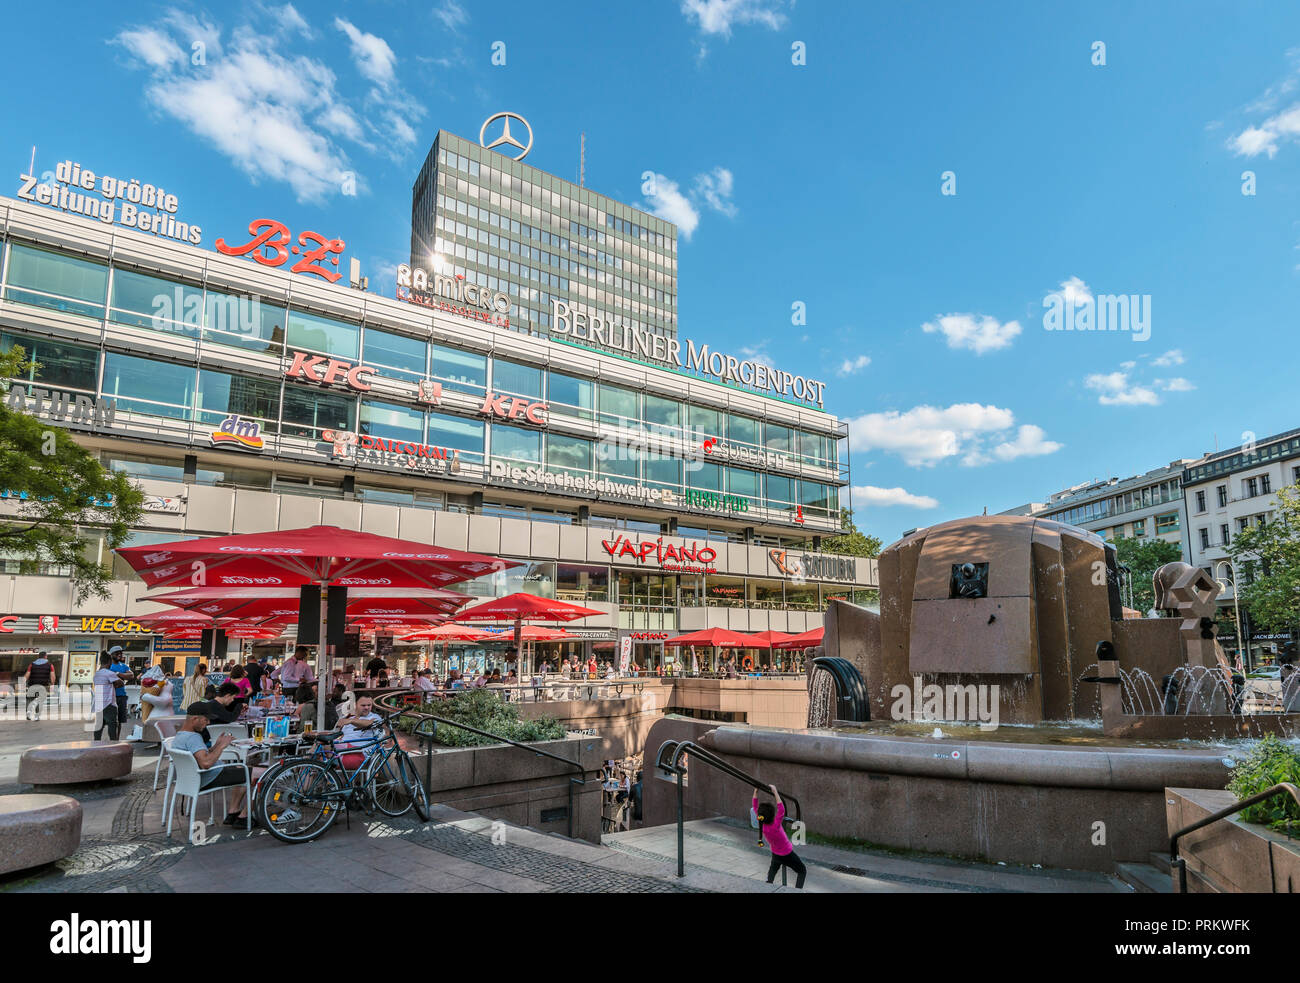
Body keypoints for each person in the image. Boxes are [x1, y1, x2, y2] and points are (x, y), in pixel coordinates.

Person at [170, 711, 266, 828]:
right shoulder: (194, 737)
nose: (208, 723)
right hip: (211, 776)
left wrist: (216, 745)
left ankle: (233, 812)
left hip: (192, 779)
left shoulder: (180, 735)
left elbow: (200, 756)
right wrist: (222, 746)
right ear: (195, 719)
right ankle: (244, 817)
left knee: (240, 768)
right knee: (265, 774)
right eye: (206, 719)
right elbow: (206, 763)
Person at [753, 783, 806, 889]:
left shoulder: (762, 824)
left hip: (775, 854)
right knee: (802, 871)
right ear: (773, 815)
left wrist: (755, 791)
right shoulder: (776, 824)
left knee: (771, 876)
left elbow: (755, 807)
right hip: (787, 854)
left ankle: (767, 888)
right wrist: (775, 792)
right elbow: (781, 809)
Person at [92, 653, 129, 739]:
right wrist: (114, 683)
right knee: (112, 727)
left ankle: (96, 744)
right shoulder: (109, 673)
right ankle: (113, 745)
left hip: (98, 704)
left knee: (98, 726)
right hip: (109, 704)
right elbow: (121, 683)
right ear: (109, 662)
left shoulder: (96, 674)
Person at [23, 651, 58, 720]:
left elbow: (27, 675)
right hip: (43, 686)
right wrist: (52, 684)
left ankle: (28, 714)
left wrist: (22, 683)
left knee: (29, 700)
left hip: (32, 685)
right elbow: (53, 676)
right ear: (45, 656)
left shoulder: (32, 664)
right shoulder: (50, 665)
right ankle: (37, 716)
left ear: (38, 656)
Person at [107, 646, 134, 724]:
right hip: (110, 696)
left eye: (121, 653)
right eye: (117, 653)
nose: (120, 655)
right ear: (111, 655)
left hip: (121, 696)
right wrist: (123, 676)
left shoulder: (123, 666)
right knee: (111, 721)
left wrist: (118, 673)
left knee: (120, 721)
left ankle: (117, 736)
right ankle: (112, 736)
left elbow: (131, 675)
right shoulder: (107, 666)